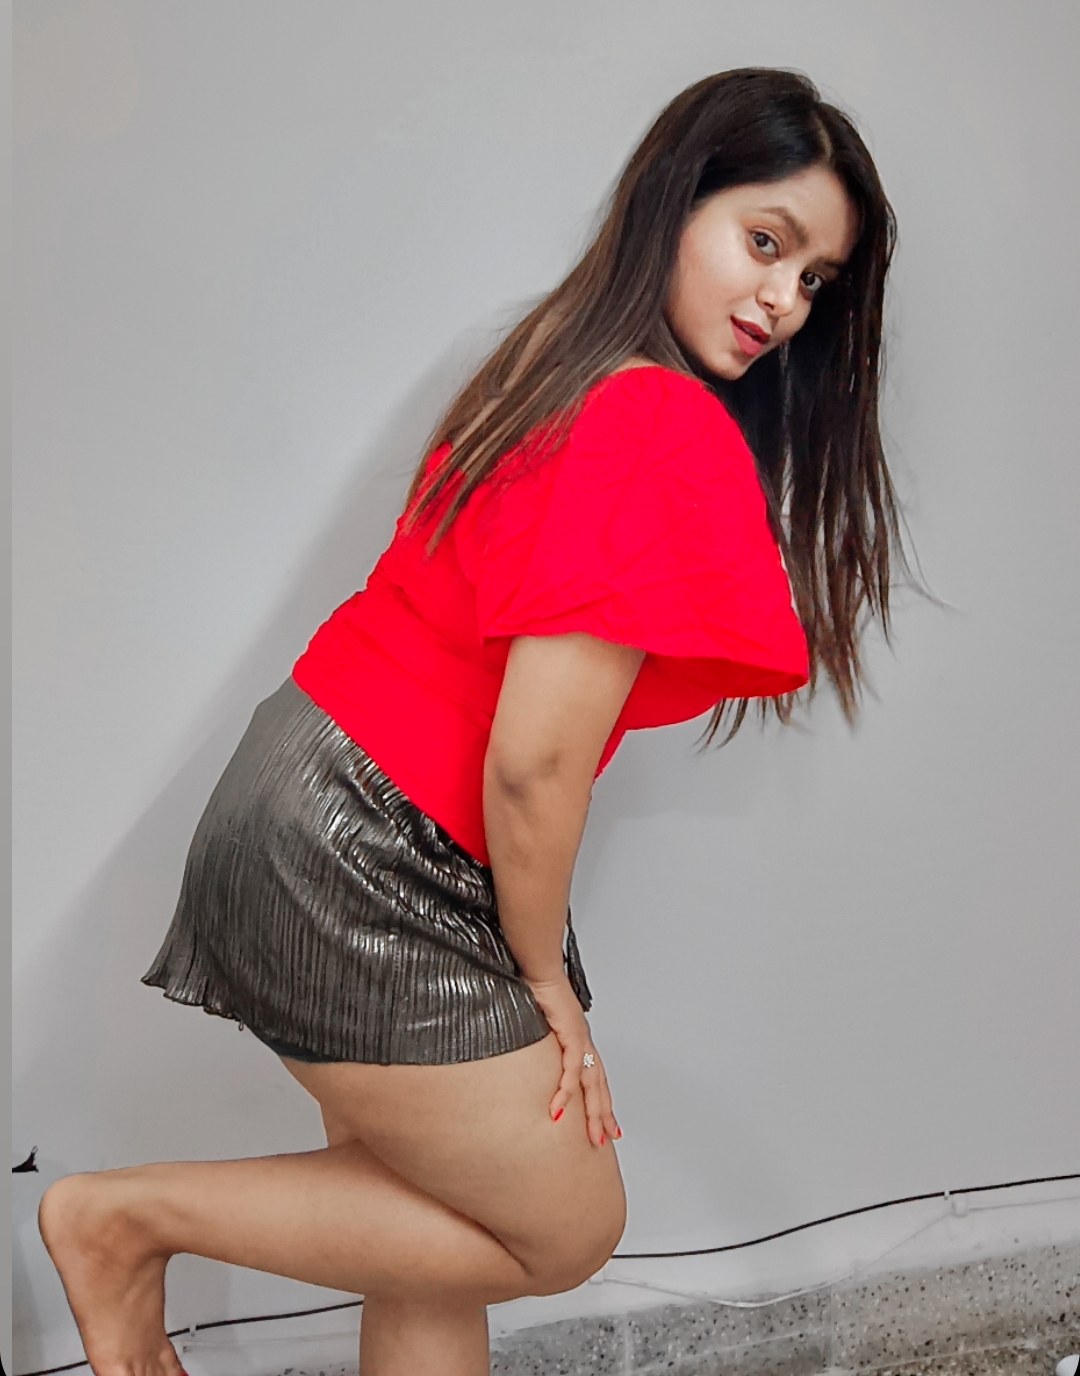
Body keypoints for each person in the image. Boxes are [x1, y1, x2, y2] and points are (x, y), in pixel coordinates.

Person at [39, 68, 906, 1376]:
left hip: (316, 792)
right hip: (367, 839)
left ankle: (123, 1223)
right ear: (675, 202)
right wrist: (546, 980)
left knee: (429, 1232)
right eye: (766, 241)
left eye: (817, 279)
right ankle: (118, 1223)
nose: (785, 300)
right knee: (562, 1225)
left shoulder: (558, 362)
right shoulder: (653, 417)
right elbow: (536, 759)